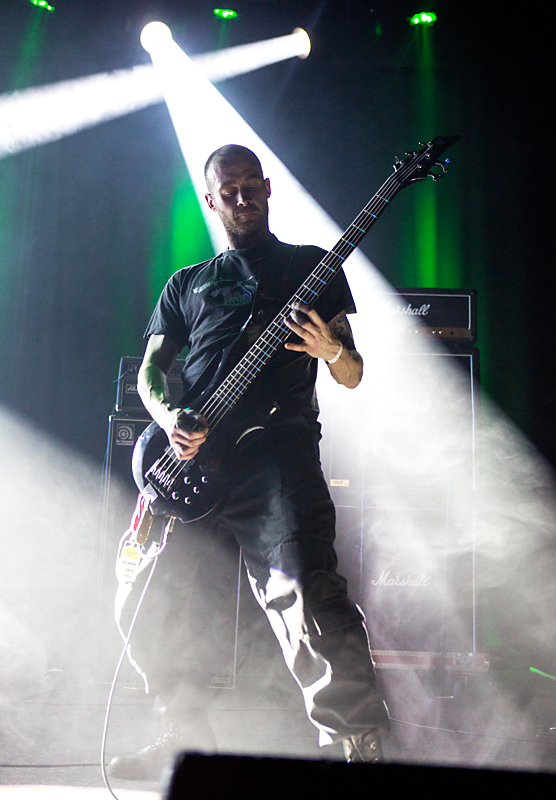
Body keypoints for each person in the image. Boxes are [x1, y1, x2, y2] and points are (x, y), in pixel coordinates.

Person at [108, 144, 389, 780]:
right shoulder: (187, 283)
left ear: (267, 187)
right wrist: (169, 419)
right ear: (210, 200)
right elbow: (152, 370)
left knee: (306, 595)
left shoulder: (309, 266)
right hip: (189, 460)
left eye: (249, 186)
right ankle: (184, 737)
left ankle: (358, 746)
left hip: (276, 456)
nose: (241, 198)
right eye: (227, 190)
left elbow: (352, 373)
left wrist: (329, 350)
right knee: (142, 599)